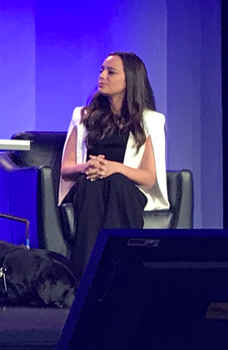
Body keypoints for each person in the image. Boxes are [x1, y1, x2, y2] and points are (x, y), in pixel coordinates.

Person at [59, 51, 168, 277]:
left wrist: (114, 167)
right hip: (88, 187)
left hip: (125, 189)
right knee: (92, 184)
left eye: (111, 72)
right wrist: (86, 167)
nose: (102, 76)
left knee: (117, 182)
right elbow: (66, 167)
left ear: (129, 79)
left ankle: (118, 275)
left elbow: (149, 176)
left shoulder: (150, 121)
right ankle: (85, 279)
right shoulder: (83, 115)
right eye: (101, 71)